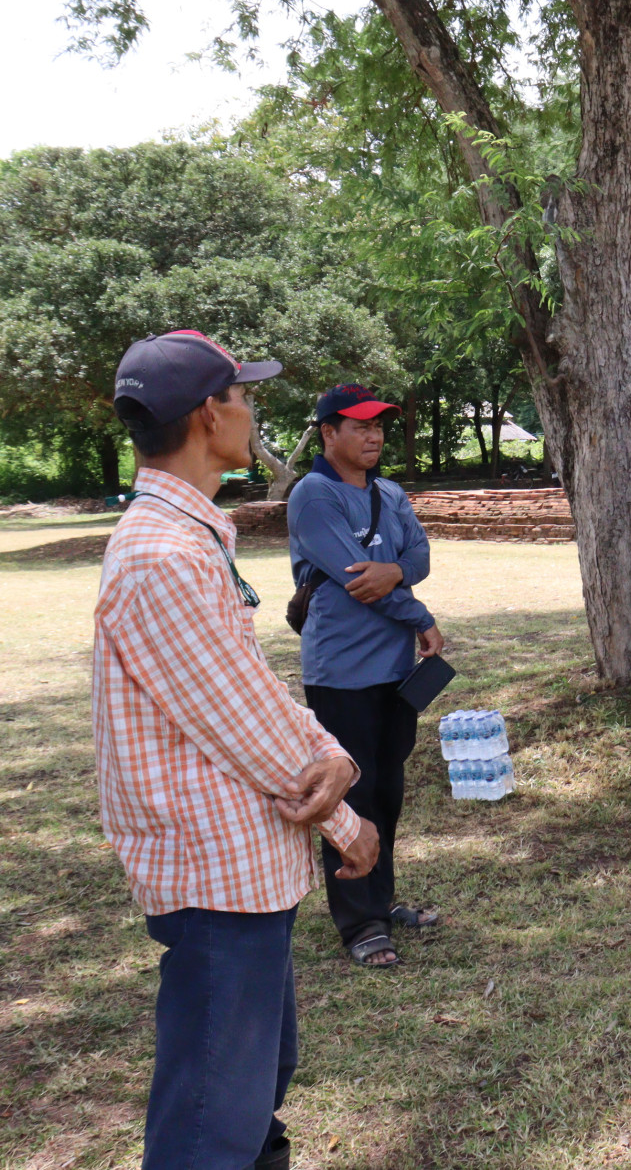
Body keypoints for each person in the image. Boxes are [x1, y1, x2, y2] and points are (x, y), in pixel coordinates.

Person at [95, 330, 378, 1170]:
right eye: (242, 396)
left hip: (237, 865)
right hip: (212, 868)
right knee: (212, 1114)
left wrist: (337, 759)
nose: (251, 412)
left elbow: (244, 692)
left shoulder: (183, 538)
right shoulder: (163, 553)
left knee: (253, 1084)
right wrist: (345, 813)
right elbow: (247, 724)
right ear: (209, 412)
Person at [287, 384, 447, 966]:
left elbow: (420, 559)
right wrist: (419, 613)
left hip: (394, 667)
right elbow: (360, 582)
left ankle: (382, 902)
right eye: (359, 426)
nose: (374, 435)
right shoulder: (313, 496)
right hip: (341, 670)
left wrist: (394, 571)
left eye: (379, 425)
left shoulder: (391, 492)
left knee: (386, 791)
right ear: (329, 433)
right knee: (350, 793)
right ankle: (359, 923)